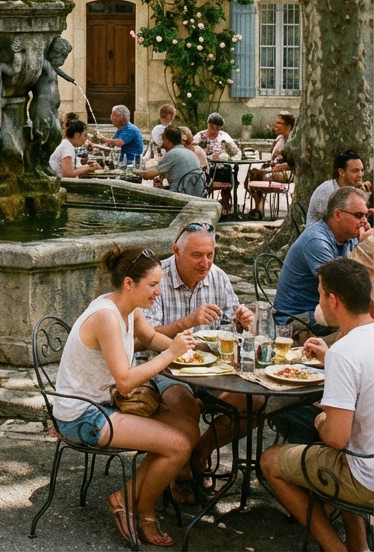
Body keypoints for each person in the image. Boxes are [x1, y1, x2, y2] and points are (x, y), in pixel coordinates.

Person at [52, 247, 199, 547]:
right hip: (84, 414)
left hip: (109, 403)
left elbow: (151, 338)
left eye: (159, 284)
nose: (158, 292)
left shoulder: (129, 308)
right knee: (178, 445)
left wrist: (188, 354)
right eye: (153, 285)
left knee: (189, 430)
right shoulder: (106, 316)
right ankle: (136, 506)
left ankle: (131, 498)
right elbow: (125, 380)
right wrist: (171, 353)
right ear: (129, 283)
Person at [261, 259, 374, 552]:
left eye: (320, 293)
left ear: (333, 301)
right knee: (343, 455)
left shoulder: (344, 352)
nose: (318, 299)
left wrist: (322, 421)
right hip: (365, 461)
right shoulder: (352, 347)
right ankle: (359, 546)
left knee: (270, 460)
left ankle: (335, 548)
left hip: (366, 479)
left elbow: (335, 439)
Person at [141, 222, 257, 489]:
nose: (205, 263)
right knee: (185, 405)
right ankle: (181, 472)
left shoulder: (218, 277)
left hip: (210, 369)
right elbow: (145, 337)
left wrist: (240, 322)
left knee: (255, 401)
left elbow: (229, 328)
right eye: (197, 255)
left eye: (210, 255)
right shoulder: (157, 277)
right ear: (176, 251)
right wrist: (187, 322)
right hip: (163, 366)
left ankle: (200, 453)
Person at [274, 186, 372, 340]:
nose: (364, 222)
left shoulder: (350, 236)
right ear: (338, 214)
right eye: (358, 215)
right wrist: (364, 248)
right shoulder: (317, 241)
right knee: (364, 328)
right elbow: (348, 288)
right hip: (297, 322)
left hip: (325, 314)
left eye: (366, 215)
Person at [134, 126, 204, 195]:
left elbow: (149, 175)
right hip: (197, 193)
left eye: (163, 140)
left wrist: (138, 172)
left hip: (180, 193)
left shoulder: (173, 153)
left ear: (167, 140)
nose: (162, 144)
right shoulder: (191, 153)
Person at [193, 114, 241, 215]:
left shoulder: (225, 137)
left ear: (221, 128)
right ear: (208, 124)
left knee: (230, 173)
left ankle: (225, 205)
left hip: (221, 168)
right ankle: (202, 205)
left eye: (217, 129)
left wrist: (225, 156)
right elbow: (192, 151)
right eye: (212, 127)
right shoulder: (200, 137)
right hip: (205, 168)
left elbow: (235, 153)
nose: (214, 131)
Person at [248, 113, 294, 215]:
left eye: (279, 123)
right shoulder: (279, 139)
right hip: (274, 169)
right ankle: (258, 207)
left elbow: (294, 163)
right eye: (276, 122)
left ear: (288, 126)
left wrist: (280, 166)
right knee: (252, 174)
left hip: (286, 172)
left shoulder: (292, 142)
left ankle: (259, 209)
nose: (276, 125)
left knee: (256, 175)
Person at [307, 150, 366, 226]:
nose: (360, 175)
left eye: (362, 170)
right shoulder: (327, 190)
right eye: (355, 171)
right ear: (341, 172)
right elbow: (336, 225)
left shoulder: (353, 190)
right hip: (321, 235)